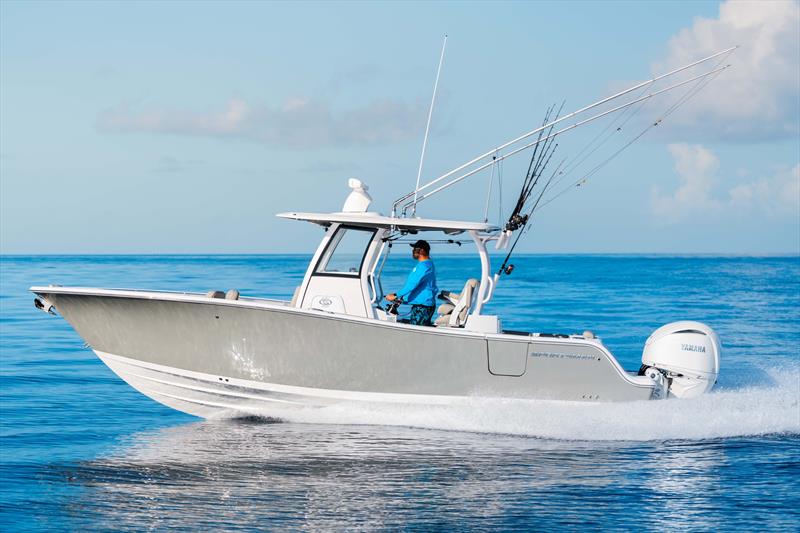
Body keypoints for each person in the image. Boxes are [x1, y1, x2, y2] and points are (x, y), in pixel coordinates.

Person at [386, 240, 438, 326]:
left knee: (417, 332)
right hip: (423, 304)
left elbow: (412, 285)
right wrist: (404, 299)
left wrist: (395, 295)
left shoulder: (424, 266)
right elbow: (420, 286)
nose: (413, 251)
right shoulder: (428, 264)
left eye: (415, 249)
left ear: (422, 250)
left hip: (422, 306)